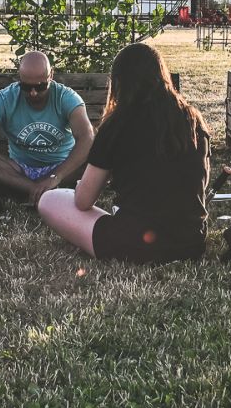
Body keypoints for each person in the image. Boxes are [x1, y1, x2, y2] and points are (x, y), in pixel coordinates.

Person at [38, 42, 209, 263]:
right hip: (191, 243)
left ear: (118, 82)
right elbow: (197, 187)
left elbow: (83, 201)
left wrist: (81, 186)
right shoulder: (193, 120)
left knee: (50, 200)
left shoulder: (118, 123)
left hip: (135, 245)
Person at [0, 51, 94, 205]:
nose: (33, 92)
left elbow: (87, 138)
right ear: (19, 78)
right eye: (26, 86)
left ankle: (20, 191)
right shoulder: (6, 98)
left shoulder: (66, 98)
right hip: (20, 170)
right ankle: (37, 191)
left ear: (51, 75)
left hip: (61, 168)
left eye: (41, 86)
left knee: (97, 154)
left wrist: (55, 177)